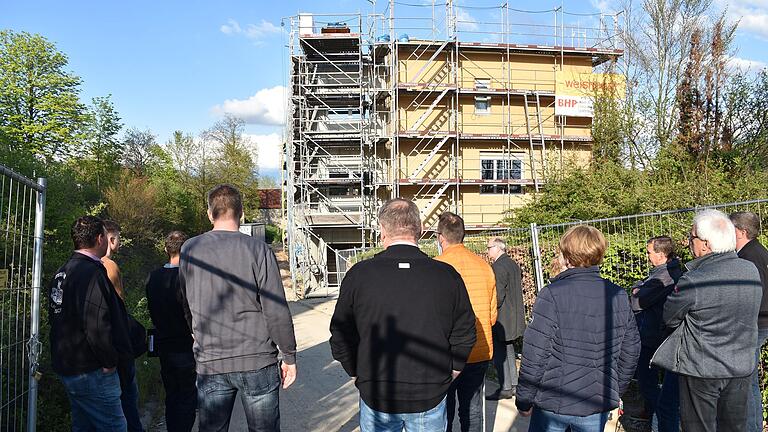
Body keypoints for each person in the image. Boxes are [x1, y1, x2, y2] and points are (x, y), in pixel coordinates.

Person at [330, 199, 477, 432]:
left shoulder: (359, 275)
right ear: (419, 229)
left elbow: (340, 334)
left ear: (382, 230)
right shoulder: (447, 275)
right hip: (429, 392)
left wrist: (357, 371)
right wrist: (453, 368)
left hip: (378, 392)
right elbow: (465, 330)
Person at [179, 184, 297, 432]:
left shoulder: (190, 249)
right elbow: (275, 308)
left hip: (210, 360)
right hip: (257, 359)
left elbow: (186, 298)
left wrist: (193, 330)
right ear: (241, 213)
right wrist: (288, 355)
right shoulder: (258, 249)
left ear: (210, 214)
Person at [515, 225, 640, 431]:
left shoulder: (552, 294)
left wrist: (524, 399)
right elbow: (631, 350)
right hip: (594, 401)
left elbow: (535, 353)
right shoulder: (617, 295)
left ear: (567, 257)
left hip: (553, 402)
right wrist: (615, 390)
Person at [652, 209, 761, 431]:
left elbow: (670, 318)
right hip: (740, 365)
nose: (689, 242)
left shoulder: (694, 280)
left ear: (706, 244)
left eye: (692, 237)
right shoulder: (750, 270)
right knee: (734, 427)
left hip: (701, 370)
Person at [49, 215, 132, 431]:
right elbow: (96, 324)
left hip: (69, 366)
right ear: (99, 239)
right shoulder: (92, 273)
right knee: (114, 426)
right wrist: (110, 361)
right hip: (93, 370)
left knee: (84, 426)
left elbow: (56, 318)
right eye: (105, 235)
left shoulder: (62, 272)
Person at [435, 212, 497, 432]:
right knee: (472, 409)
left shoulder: (435, 268)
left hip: (445, 355)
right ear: (463, 235)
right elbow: (491, 316)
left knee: (445, 411)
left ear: (440, 237)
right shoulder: (484, 267)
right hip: (479, 350)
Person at [630, 236, 682, 431]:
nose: (647, 256)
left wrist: (637, 288)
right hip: (658, 333)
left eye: (649, 252)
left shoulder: (663, 277)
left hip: (653, 336)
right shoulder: (667, 272)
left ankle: (659, 418)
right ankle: (653, 413)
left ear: (661, 255)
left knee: (647, 379)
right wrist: (640, 288)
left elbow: (637, 302)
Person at [146, 231, 196, 432]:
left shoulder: (153, 277)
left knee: (172, 395)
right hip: (185, 344)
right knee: (187, 396)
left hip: (164, 343)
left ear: (166, 249)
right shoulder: (188, 278)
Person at [102, 220, 144, 432]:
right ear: (111, 239)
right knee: (128, 398)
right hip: (117, 345)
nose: (121, 242)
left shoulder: (84, 265)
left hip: (95, 349)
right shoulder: (110, 266)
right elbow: (118, 307)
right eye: (118, 237)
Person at [730, 211, 768, 432]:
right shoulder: (757, 252)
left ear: (741, 232)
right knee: (749, 380)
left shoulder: (749, 257)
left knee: (745, 382)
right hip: (759, 323)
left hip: (755, 324)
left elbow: (757, 294)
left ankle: (751, 428)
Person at [485, 237, 525, 401]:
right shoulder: (512, 264)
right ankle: (513, 385)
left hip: (503, 318)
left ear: (497, 248)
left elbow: (499, 296)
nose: (487, 251)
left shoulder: (498, 267)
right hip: (514, 316)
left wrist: (489, 311)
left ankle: (506, 387)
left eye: (489, 248)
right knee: (509, 351)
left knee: (500, 353)